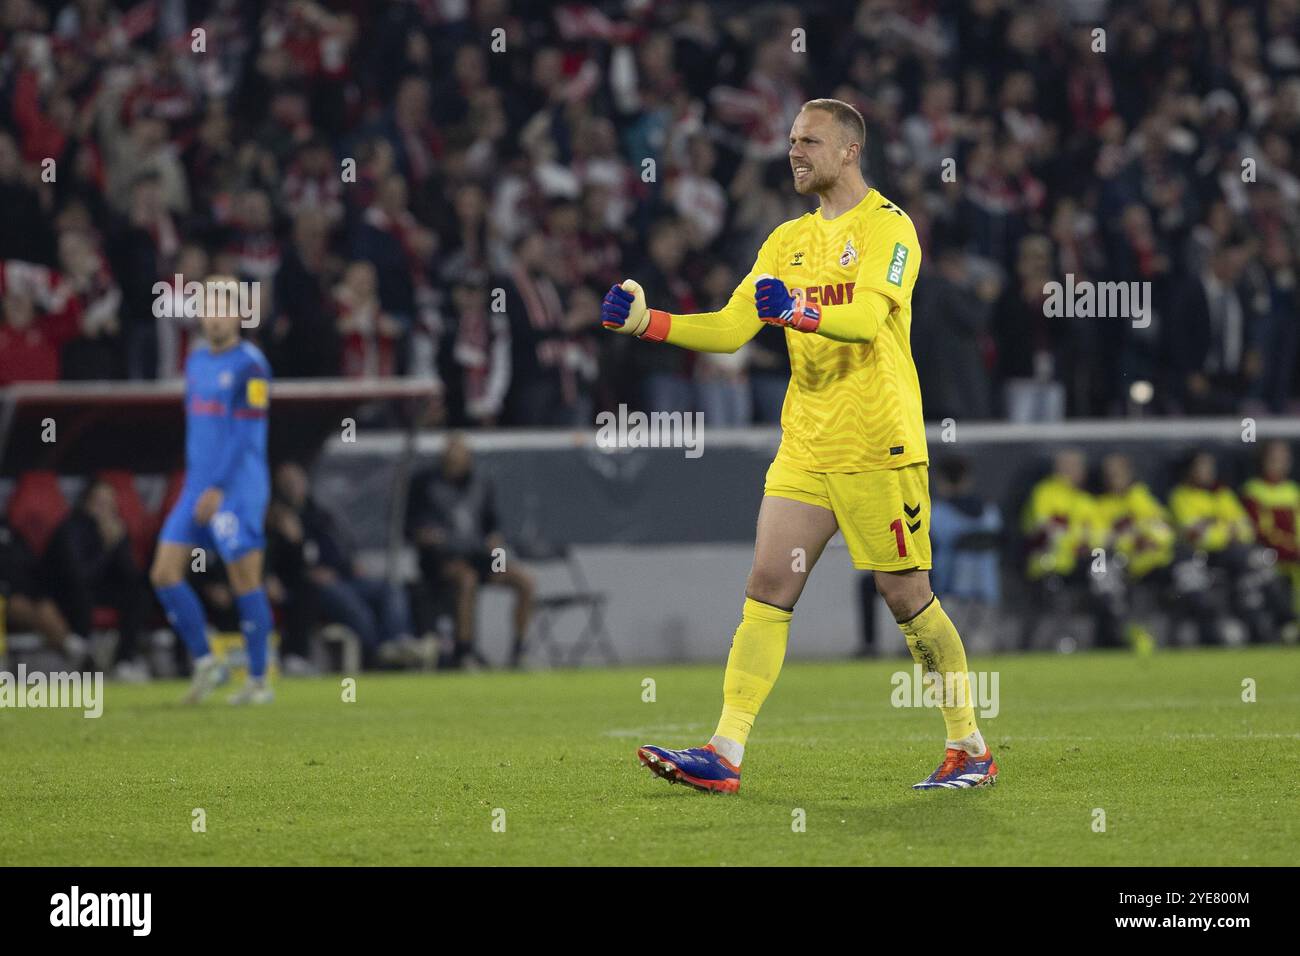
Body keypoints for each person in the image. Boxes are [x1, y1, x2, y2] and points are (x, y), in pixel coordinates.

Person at [602, 98, 997, 793]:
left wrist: (802, 310)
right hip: (807, 445)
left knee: (906, 596)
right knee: (768, 586)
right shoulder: (786, 240)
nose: (795, 152)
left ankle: (969, 747)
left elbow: (870, 318)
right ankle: (725, 751)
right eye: (791, 141)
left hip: (878, 444)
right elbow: (731, 327)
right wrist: (648, 322)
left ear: (850, 150)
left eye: (810, 141)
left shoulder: (890, 227)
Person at [149, 275, 275, 703]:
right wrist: (199, 482)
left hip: (236, 489)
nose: (215, 315)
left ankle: (258, 680)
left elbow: (245, 433)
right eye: (208, 306)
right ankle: (208, 663)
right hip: (196, 486)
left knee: (244, 580)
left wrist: (219, 488)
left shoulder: (251, 365)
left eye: (224, 307)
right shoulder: (195, 361)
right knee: (164, 572)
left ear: (240, 313)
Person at [406, 433, 535, 669]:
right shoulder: (425, 484)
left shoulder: (481, 484)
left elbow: (493, 529)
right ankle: (464, 651)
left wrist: (496, 560)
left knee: (525, 581)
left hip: (481, 558)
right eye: (449, 457)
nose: (453, 462)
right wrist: (430, 540)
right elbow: (412, 529)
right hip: (443, 562)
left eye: (459, 457)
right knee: (467, 580)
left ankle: (519, 650)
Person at [41, 479, 151, 680]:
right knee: (82, 597)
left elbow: (130, 575)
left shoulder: (115, 527)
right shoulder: (71, 529)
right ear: (86, 503)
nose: (106, 509)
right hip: (65, 592)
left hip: (99, 589)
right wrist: (107, 547)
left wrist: (118, 543)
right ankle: (83, 661)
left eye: (110, 503)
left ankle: (124, 661)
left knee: (137, 595)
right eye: (100, 503)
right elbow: (81, 576)